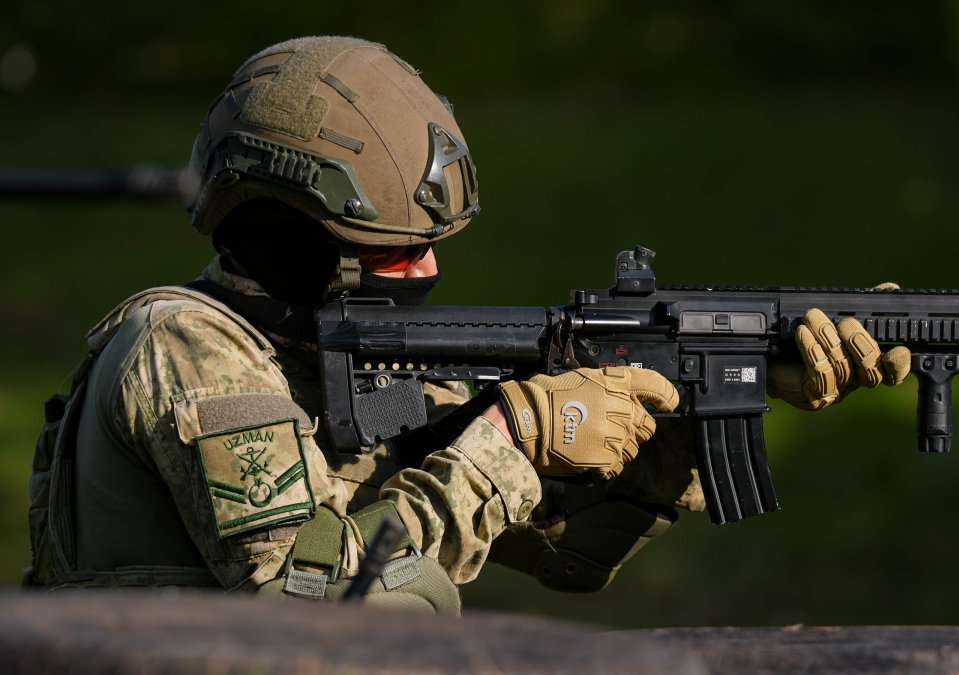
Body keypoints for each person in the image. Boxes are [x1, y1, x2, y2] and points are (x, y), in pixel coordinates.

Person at [24, 36, 909, 611]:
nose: (430, 272)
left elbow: (566, 555)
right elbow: (317, 613)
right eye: (399, 249)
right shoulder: (187, 347)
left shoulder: (339, 361)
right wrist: (515, 437)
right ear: (291, 232)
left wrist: (678, 425)